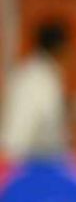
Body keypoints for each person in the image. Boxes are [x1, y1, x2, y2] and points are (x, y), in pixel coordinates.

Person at [0, 22, 69, 159]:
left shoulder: (39, 75)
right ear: (61, 48)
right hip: (27, 164)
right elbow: (15, 138)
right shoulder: (37, 81)